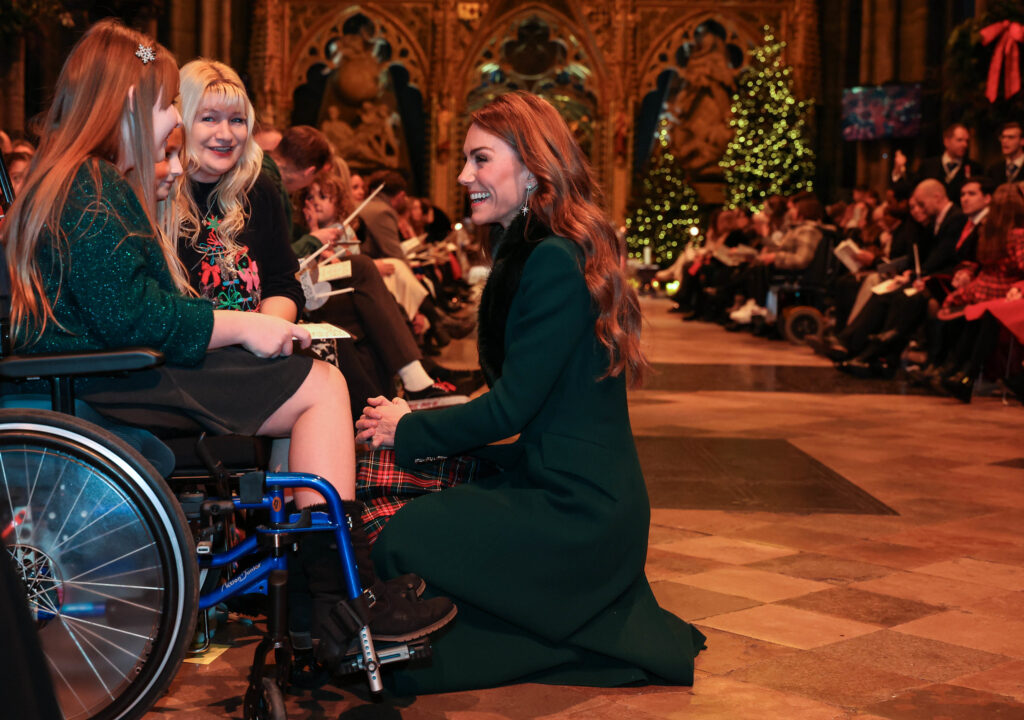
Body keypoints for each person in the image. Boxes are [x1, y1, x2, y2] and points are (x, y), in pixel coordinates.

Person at [4, 23, 452, 652]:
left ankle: (325, 599)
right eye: (167, 105)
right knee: (322, 387)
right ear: (129, 104)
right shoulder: (94, 189)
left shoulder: (79, 179)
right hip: (112, 376)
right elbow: (136, 318)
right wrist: (246, 325)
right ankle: (337, 602)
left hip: (103, 368)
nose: (174, 122)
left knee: (310, 381)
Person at [354, 91, 705, 693]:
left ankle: (569, 646)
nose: (464, 177)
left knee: (405, 536)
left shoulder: (551, 260)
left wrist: (406, 426)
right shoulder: (534, 252)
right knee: (393, 492)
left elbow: (510, 407)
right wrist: (417, 420)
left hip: (579, 509)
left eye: (480, 159)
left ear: (533, 167)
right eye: (466, 160)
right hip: (554, 477)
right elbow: (520, 398)